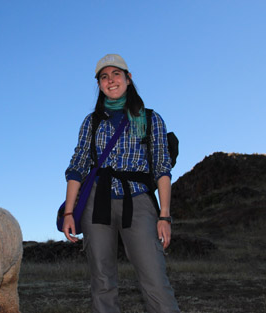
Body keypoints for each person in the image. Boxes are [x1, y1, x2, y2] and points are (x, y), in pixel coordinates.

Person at [62, 54, 180, 313]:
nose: (110, 80)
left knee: (155, 280)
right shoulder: (91, 122)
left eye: (116, 74)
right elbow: (78, 166)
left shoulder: (151, 119)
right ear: (100, 84)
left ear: (128, 78)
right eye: (104, 77)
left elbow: (162, 167)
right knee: (102, 281)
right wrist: (70, 211)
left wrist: (164, 216)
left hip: (138, 201)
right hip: (96, 202)